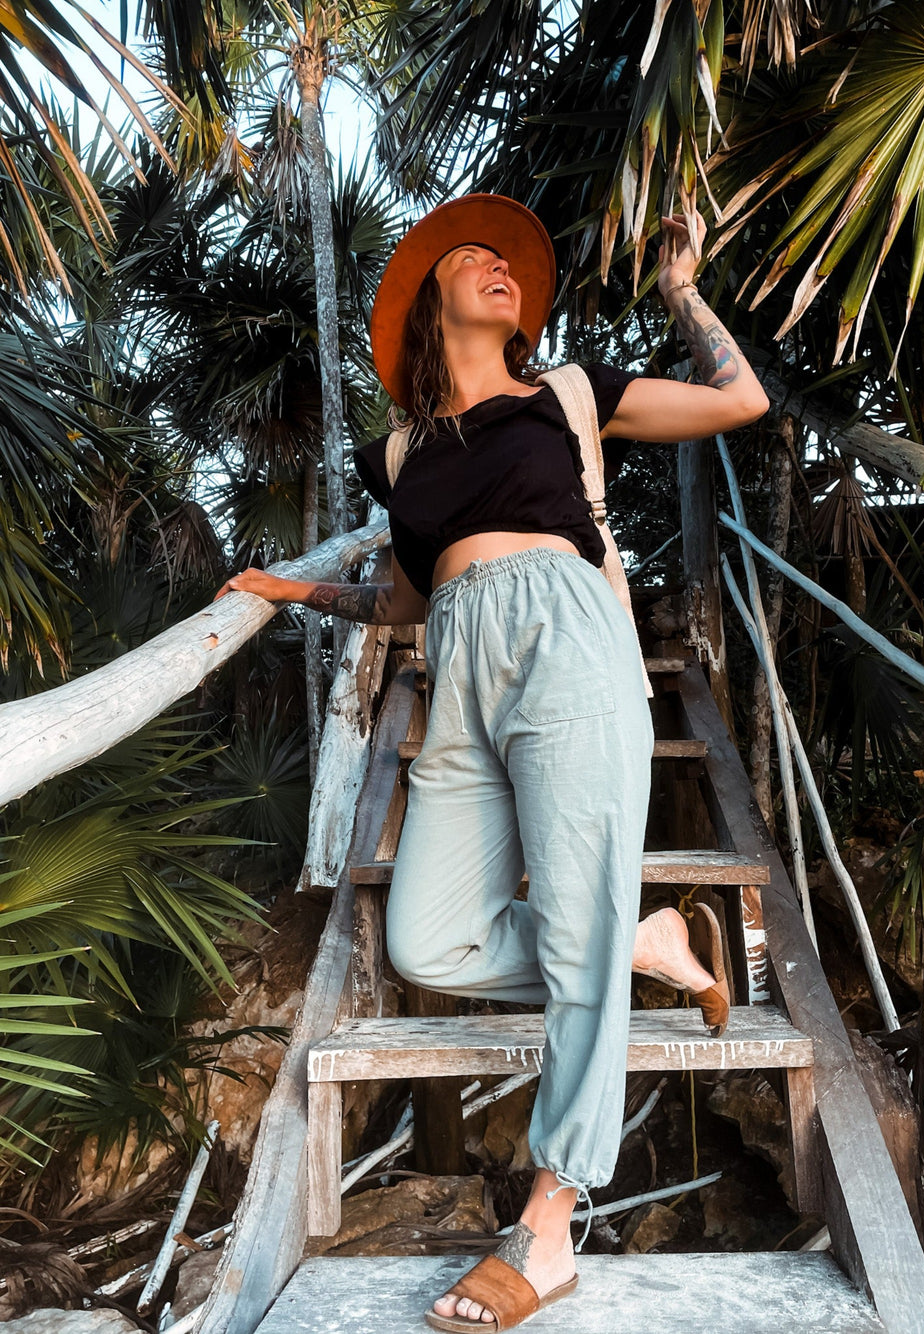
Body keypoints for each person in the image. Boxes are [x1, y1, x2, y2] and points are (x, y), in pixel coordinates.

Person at [217, 194, 769, 1332]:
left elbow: (738, 398)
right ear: (430, 303)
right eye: (470, 257)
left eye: (507, 260)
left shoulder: (568, 392)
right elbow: (405, 597)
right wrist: (295, 590)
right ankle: (648, 940)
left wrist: (678, 291)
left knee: (568, 924)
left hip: (568, 635)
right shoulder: (400, 453)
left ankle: (550, 1220)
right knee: (428, 932)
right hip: (459, 653)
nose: (497, 266)